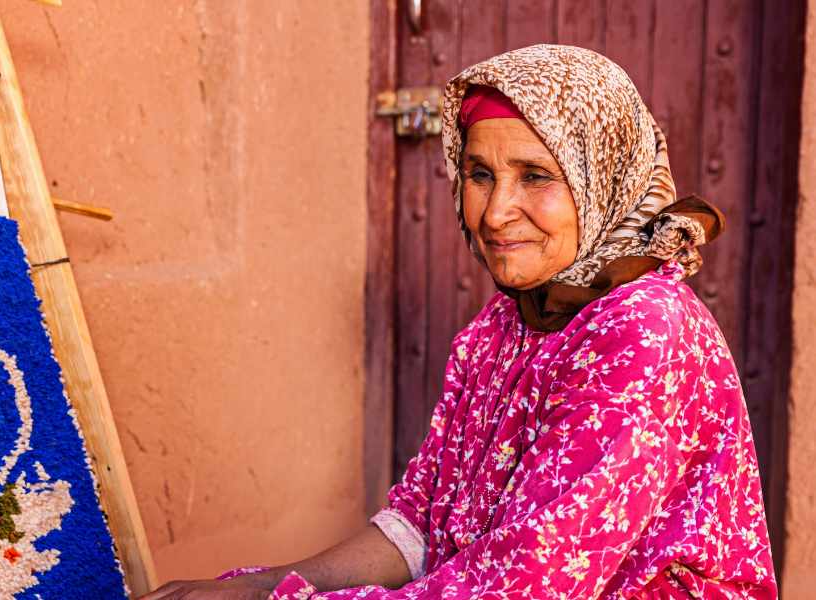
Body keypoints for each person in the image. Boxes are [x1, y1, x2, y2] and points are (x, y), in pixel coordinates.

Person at [139, 44, 776, 599]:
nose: (497, 212)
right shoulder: (506, 324)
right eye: (479, 174)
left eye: (536, 177)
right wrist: (264, 585)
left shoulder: (644, 331)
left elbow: (521, 586)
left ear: (602, 181)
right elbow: (422, 522)